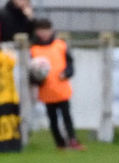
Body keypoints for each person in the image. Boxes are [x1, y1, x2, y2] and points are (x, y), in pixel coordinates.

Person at [29, 18, 85, 151]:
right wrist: (38, 79)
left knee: (66, 116)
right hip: (47, 90)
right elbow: (31, 73)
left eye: (46, 30)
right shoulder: (34, 49)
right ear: (37, 32)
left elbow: (70, 64)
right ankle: (60, 143)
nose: (44, 33)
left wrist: (67, 73)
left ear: (51, 31)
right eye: (41, 30)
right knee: (52, 119)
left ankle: (72, 140)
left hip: (62, 89)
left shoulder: (60, 45)